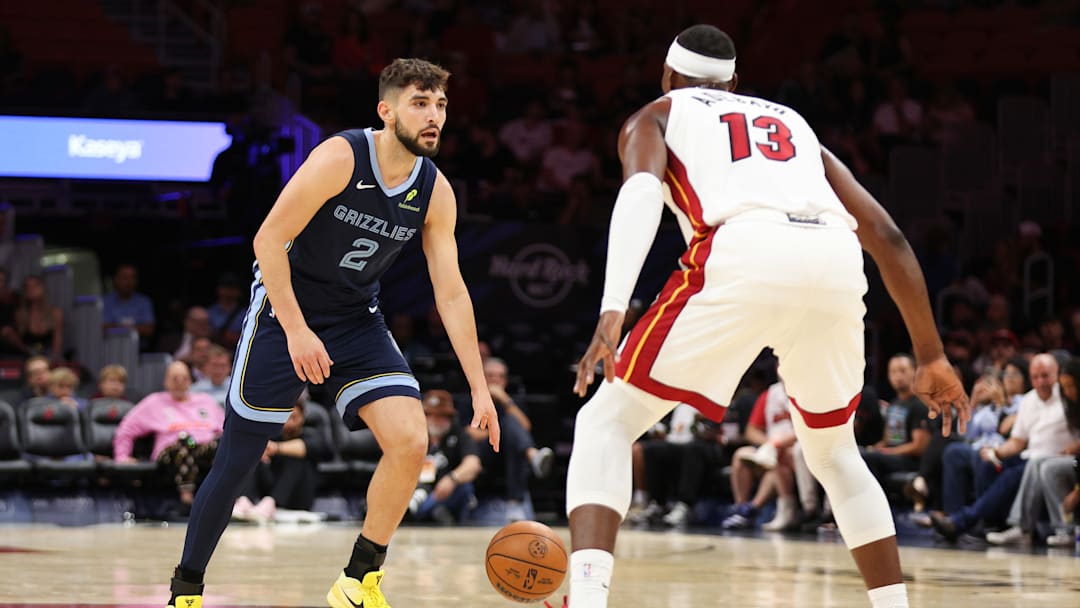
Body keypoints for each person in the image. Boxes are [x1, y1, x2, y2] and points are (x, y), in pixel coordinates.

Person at [566, 25, 968, 608]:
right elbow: (887, 236)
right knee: (834, 453)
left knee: (604, 423)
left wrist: (611, 309)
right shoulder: (794, 124)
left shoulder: (656, 114)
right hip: (834, 256)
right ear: (734, 83)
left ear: (668, 76)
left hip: (743, 247)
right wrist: (931, 355)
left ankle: (585, 599)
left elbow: (641, 194)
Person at [164, 58, 499, 608]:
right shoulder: (341, 157)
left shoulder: (435, 191)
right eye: (420, 103)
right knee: (238, 460)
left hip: (355, 318)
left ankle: (357, 581)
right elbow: (268, 241)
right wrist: (297, 331)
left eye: (440, 104)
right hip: (284, 311)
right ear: (386, 111)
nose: (434, 115)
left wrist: (479, 387)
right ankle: (187, 590)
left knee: (411, 441)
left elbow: (452, 292)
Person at [113, 361, 225, 509]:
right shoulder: (154, 402)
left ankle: (232, 498)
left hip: (203, 451)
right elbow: (126, 429)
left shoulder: (206, 401)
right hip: (171, 453)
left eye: (184, 378)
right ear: (166, 382)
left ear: (190, 381)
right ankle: (187, 498)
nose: (179, 382)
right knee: (186, 441)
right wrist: (122, 456)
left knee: (223, 444)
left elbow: (226, 429)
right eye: (175, 378)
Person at [408, 390, 482, 524]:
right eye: (430, 415)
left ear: (450, 418)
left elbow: (473, 464)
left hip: (445, 493)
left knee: (465, 488)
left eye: (441, 416)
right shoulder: (414, 437)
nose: (435, 421)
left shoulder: (460, 436)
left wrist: (452, 479)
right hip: (417, 491)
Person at [102, 263, 156, 347]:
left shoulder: (144, 301)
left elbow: (149, 329)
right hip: (111, 347)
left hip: (139, 348)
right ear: (115, 279)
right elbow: (104, 328)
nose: (129, 281)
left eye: (132, 277)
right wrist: (134, 328)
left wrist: (117, 327)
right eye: (124, 277)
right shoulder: (105, 302)